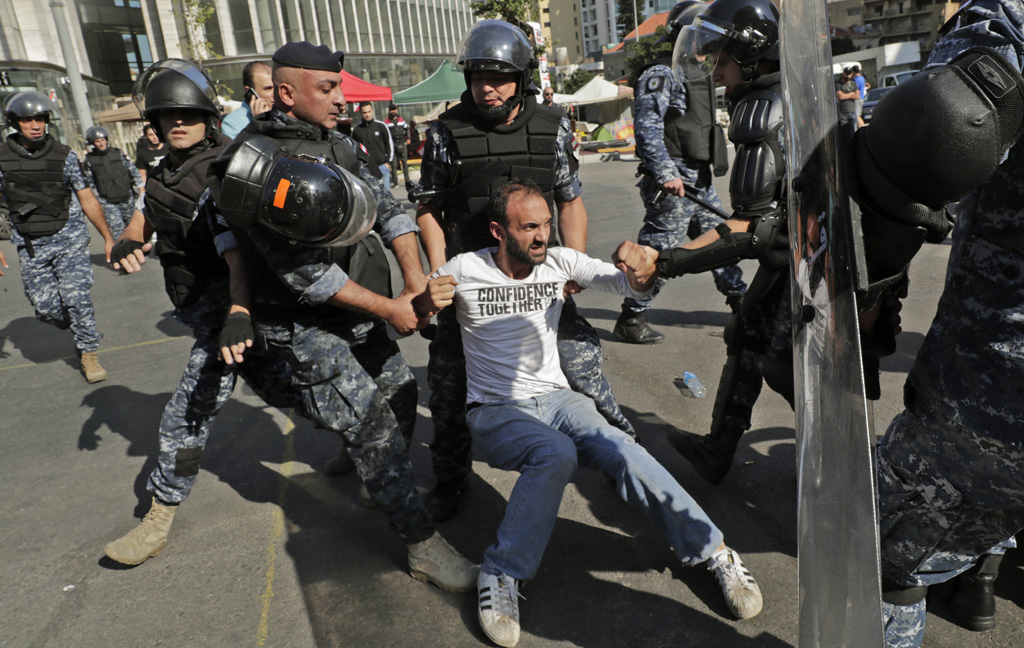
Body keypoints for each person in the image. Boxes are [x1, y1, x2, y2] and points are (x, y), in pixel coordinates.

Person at [414, 180, 763, 647]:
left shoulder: (558, 261)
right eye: (530, 228)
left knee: (621, 444)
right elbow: (411, 316)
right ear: (499, 231)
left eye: (546, 225)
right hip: (496, 409)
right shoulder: (464, 269)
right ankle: (500, 573)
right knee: (554, 454)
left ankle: (714, 550)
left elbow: (630, 282)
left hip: (560, 400)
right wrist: (423, 302)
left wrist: (642, 264)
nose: (542, 236)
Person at [207, 40, 476, 593]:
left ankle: (375, 473)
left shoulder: (339, 143)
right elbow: (305, 275)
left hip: (358, 313)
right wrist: (393, 310)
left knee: (400, 398)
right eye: (328, 89)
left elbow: (392, 207)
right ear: (286, 92)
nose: (341, 99)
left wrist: (415, 280)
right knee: (370, 422)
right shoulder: (252, 165)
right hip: (301, 324)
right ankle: (421, 544)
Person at [412, 19, 635, 522]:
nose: (487, 87)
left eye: (500, 77)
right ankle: (451, 480)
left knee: (584, 372)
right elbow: (427, 208)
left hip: (540, 278)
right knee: (448, 388)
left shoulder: (553, 125)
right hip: (472, 283)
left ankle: (627, 462)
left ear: (522, 77)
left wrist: (572, 266)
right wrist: (437, 274)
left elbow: (570, 200)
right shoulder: (445, 133)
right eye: (478, 77)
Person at [857, 1, 1024, 644]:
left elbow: (937, 133)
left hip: (995, 399)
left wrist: (864, 303)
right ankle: (981, 576)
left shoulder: (1007, 20)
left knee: (880, 538)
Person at [102, 58, 311, 566]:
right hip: (206, 315)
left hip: (231, 320)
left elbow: (235, 253)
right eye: (166, 116)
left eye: (187, 115)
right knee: (296, 393)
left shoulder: (220, 174)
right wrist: (129, 241)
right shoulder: (162, 169)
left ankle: (159, 515)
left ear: (209, 119)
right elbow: (144, 212)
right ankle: (353, 432)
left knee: (185, 416)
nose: (176, 124)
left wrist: (238, 313)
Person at [648, 0, 793, 485]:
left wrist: (664, 262)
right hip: (804, 253)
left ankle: (848, 474)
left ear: (753, 59)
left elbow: (752, 229)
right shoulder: (798, 95)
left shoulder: (763, 109)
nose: (720, 76)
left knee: (798, 371)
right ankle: (719, 449)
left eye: (725, 62)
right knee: (748, 330)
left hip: (808, 262)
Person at [613, 0, 746, 345]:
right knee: (656, 252)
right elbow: (646, 127)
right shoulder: (662, 73)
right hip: (673, 184)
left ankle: (742, 305)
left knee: (722, 241)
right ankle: (631, 316)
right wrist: (665, 172)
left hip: (698, 180)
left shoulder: (696, 70)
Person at [0, 90, 114, 383]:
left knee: (77, 297)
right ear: (15, 122)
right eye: (27, 120)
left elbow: (87, 198)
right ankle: (77, 327)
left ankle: (88, 352)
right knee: (46, 308)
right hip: (31, 244)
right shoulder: (2, 160)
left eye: (40, 118)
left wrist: (108, 238)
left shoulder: (65, 157)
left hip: (69, 237)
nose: (35, 125)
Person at [83, 125, 144, 241]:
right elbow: (90, 182)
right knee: (118, 230)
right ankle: (123, 254)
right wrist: (97, 200)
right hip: (107, 201)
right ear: (92, 143)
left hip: (126, 197)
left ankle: (137, 249)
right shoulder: (89, 161)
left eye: (102, 140)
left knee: (133, 227)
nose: (101, 144)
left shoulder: (118, 154)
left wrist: (141, 188)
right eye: (97, 141)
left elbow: (132, 170)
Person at [221, 61, 274, 139]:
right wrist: (259, 124)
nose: (275, 93)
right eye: (268, 89)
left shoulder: (283, 114)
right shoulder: (232, 123)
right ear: (249, 91)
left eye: (276, 87)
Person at [351, 101, 393, 180]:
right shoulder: (357, 129)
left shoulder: (381, 126)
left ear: (372, 110)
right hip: (367, 168)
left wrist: (388, 162)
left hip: (382, 165)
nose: (367, 115)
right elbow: (354, 149)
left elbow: (389, 144)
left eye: (369, 111)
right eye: (364, 112)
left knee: (386, 191)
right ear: (360, 113)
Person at [385, 102, 411, 188]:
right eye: (391, 110)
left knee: (404, 163)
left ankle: (407, 180)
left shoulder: (401, 120)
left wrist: (408, 138)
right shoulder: (386, 122)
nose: (393, 111)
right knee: (394, 164)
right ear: (389, 111)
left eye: (394, 109)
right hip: (392, 145)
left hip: (401, 143)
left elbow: (407, 129)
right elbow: (384, 134)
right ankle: (396, 182)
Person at [835, 66, 860, 137]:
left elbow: (857, 96)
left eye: (850, 74)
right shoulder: (838, 84)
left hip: (852, 111)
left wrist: (845, 94)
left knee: (853, 131)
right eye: (847, 74)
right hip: (843, 113)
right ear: (843, 74)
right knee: (844, 133)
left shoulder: (854, 83)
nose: (848, 76)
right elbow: (840, 96)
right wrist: (852, 93)